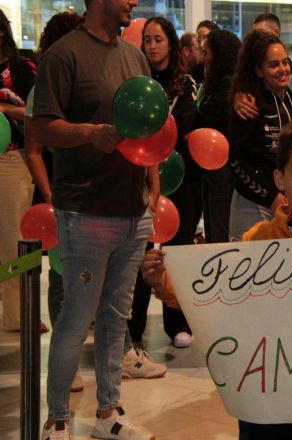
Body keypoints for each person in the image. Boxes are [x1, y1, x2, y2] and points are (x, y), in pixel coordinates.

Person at [143, 117, 292, 440]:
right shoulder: (257, 241)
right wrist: (165, 284)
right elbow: (215, 294)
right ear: (280, 178)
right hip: (266, 390)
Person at [32, 0, 158, 437]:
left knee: (115, 317)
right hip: (85, 209)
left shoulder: (135, 55)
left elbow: (149, 124)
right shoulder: (62, 55)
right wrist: (90, 133)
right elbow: (42, 128)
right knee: (76, 316)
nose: (134, 3)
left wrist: (152, 180)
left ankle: (109, 413)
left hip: (132, 208)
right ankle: (57, 419)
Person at [23, 10, 83, 393]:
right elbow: (33, 149)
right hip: (57, 194)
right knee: (60, 278)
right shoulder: (46, 83)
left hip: (78, 192)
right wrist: (49, 193)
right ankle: (67, 370)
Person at [135, 16, 199, 350]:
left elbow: (185, 122)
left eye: (158, 39)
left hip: (179, 178)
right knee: (141, 250)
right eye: (147, 39)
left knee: (177, 249)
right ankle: (135, 326)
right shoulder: (136, 79)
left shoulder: (184, 83)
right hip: (143, 177)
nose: (152, 45)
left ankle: (178, 323)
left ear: (170, 44)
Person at [228, 31, 292, 241]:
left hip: (284, 203)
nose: (283, 69)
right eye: (273, 65)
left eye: (285, 62)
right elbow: (235, 161)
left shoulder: (290, 98)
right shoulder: (248, 104)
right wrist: (270, 196)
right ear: (259, 70)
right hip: (252, 206)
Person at [0, 9, 36, 332]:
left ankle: (18, 314)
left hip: (13, 160)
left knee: (17, 240)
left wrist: (5, 108)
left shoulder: (21, 69)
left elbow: (40, 113)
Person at [196, 29, 241, 244]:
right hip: (216, 172)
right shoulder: (223, 86)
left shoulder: (229, 91)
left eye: (207, 52)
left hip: (224, 173)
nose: (203, 59)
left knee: (219, 232)